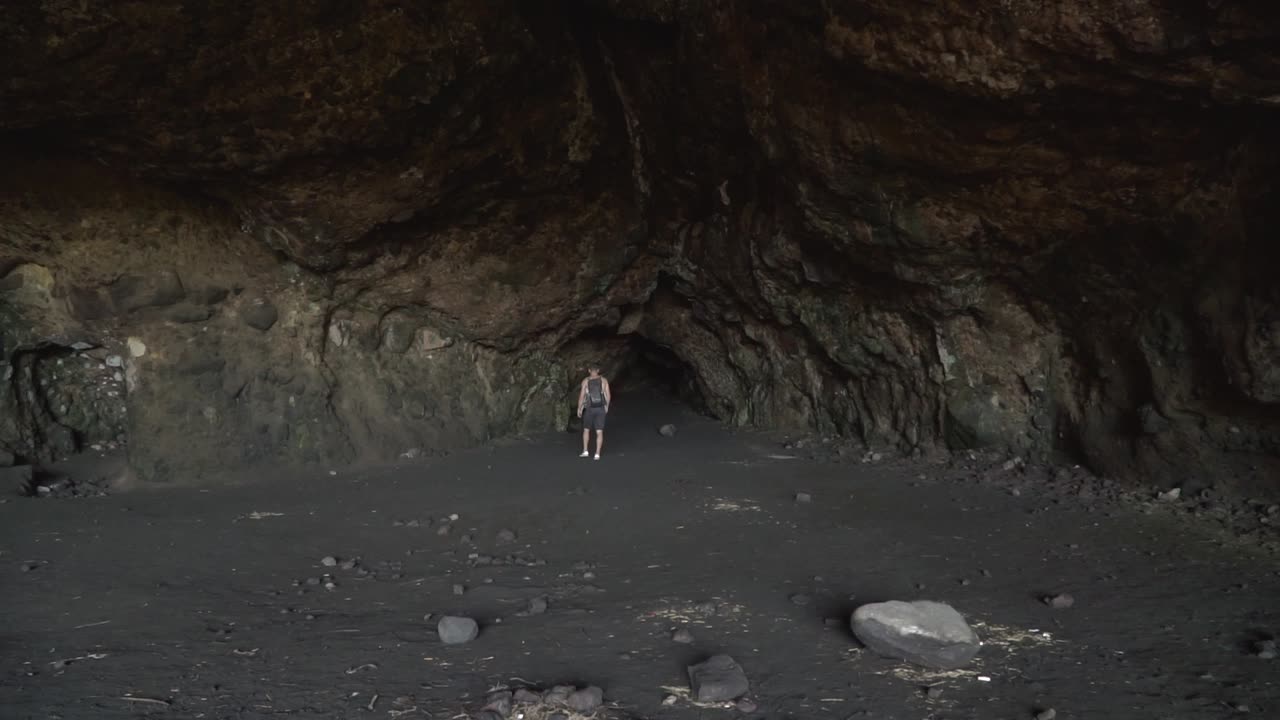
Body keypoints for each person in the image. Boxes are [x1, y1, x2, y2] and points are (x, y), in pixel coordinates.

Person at [577, 364, 611, 459]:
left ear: (589, 370)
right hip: (600, 408)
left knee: (586, 430)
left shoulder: (585, 381)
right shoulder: (604, 381)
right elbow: (608, 395)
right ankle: (597, 454)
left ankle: (585, 451)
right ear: (598, 370)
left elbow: (581, 396)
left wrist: (579, 408)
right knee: (599, 432)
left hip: (589, 408)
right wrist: (606, 406)